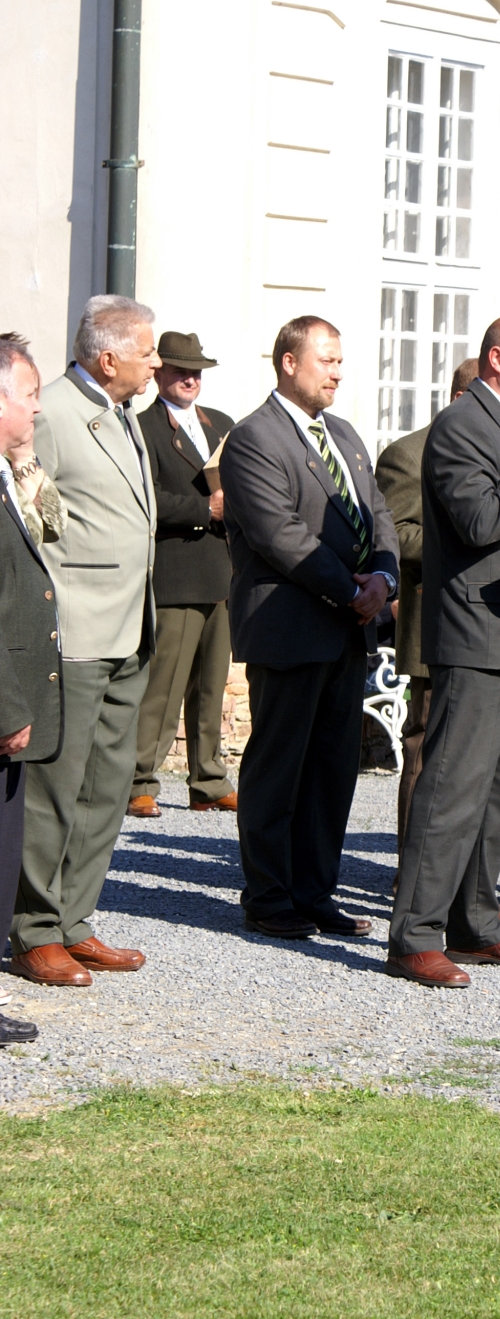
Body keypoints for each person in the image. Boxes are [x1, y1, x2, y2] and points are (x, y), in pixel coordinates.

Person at [387, 315, 500, 988]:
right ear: (498, 359)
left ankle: (475, 923)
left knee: (498, 793)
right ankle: (414, 936)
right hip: (475, 630)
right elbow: (477, 519)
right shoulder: (461, 425)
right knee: (451, 789)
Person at [219, 316, 399, 939]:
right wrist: (353, 591)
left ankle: (315, 892)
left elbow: (378, 514)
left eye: (341, 361)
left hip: (348, 630)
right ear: (289, 363)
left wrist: (384, 577)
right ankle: (269, 897)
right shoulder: (254, 438)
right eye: (327, 360)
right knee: (279, 767)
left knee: (331, 771)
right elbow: (280, 536)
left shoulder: (343, 434)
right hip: (290, 628)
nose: (338, 372)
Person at [10, 296, 159, 986]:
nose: (155, 363)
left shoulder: (123, 413)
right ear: (107, 358)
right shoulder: (54, 412)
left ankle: (74, 920)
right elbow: (30, 518)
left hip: (128, 627)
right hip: (74, 631)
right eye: (146, 352)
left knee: (106, 787)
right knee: (55, 790)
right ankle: (34, 930)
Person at [375, 358, 478, 862]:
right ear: (462, 398)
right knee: (425, 747)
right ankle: (414, 871)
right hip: (434, 621)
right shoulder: (409, 454)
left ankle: (460, 876)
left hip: (492, 626)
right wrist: (471, 542)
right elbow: (394, 535)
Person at [130, 331, 236, 818]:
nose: (190, 379)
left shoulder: (223, 425)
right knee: (163, 688)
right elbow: (145, 498)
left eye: (196, 372)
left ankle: (208, 781)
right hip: (176, 574)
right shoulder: (143, 428)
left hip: (222, 572)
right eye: (180, 371)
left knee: (211, 688)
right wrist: (204, 509)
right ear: (159, 375)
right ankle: (140, 780)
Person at [0, 335, 62, 1040]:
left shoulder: (9, 471)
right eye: (30, 394)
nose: (38, 408)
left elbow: (51, 530)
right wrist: (8, 707)